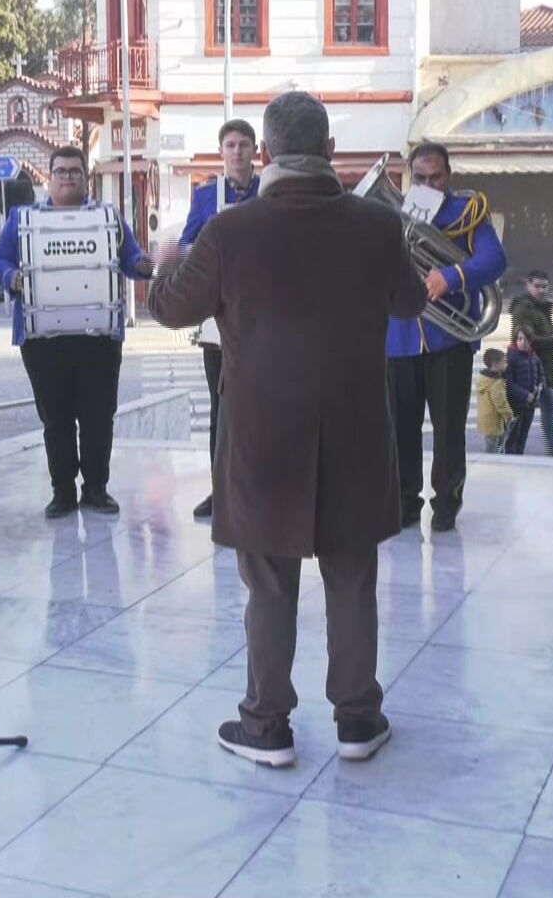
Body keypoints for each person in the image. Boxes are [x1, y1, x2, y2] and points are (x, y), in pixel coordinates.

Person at [147, 90, 427, 769]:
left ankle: (266, 725)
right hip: (358, 433)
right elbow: (412, 302)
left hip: (262, 439)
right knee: (353, 579)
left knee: (269, 585)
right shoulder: (374, 224)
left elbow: (170, 309)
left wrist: (161, 259)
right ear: (331, 152)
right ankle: (358, 719)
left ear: (265, 154)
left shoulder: (230, 231)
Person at [0, 145, 154, 518]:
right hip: (42, 338)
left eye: (75, 172)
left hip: (97, 337)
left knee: (99, 416)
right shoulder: (21, 218)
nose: (68, 177)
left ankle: (96, 488)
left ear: (86, 177)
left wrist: (143, 264)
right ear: (49, 177)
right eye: (61, 171)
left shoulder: (108, 217)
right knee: (56, 418)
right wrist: (11, 277)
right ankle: (62, 490)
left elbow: (129, 257)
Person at [385, 141, 507, 532]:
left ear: (448, 175)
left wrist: (450, 276)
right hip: (400, 336)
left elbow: (494, 260)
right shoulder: (391, 215)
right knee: (400, 425)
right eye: (419, 177)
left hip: (448, 338)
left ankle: (447, 503)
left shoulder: (467, 213)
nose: (428, 184)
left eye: (435, 176)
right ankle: (405, 501)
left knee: (449, 427)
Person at [181, 118, 261, 521]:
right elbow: (185, 245)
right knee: (221, 406)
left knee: (266, 407)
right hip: (219, 319)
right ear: (221, 151)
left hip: (267, 318)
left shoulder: (272, 190)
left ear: (255, 150)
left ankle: (263, 491)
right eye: (230, 144)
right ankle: (221, 491)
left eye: (244, 144)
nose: (237, 152)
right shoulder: (206, 196)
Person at [508, 269, 553, 454]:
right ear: (528, 285)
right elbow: (523, 338)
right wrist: (552, 340)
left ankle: (548, 448)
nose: (541, 290)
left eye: (544, 286)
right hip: (527, 365)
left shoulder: (541, 308)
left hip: (537, 365)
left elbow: (552, 337)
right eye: (537, 286)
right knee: (526, 410)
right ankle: (513, 449)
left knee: (545, 405)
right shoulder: (523, 309)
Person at [504, 333, 543, 455]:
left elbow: (540, 373)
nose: (523, 342)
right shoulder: (511, 358)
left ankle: (519, 455)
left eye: (526, 339)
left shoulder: (534, 356)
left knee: (523, 434)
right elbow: (509, 384)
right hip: (516, 404)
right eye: (520, 339)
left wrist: (540, 385)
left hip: (530, 404)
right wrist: (525, 395)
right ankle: (511, 458)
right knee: (513, 435)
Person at [474, 349, 511, 454]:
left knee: (491, 444)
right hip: (494, 422)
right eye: (503, 362)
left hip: (486, 420)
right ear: (495, 364)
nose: (506, 364)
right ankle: (489, 466)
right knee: (492, 449)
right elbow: (501, 404)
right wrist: (509, 415)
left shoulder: (484, 378)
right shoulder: (496, 383)